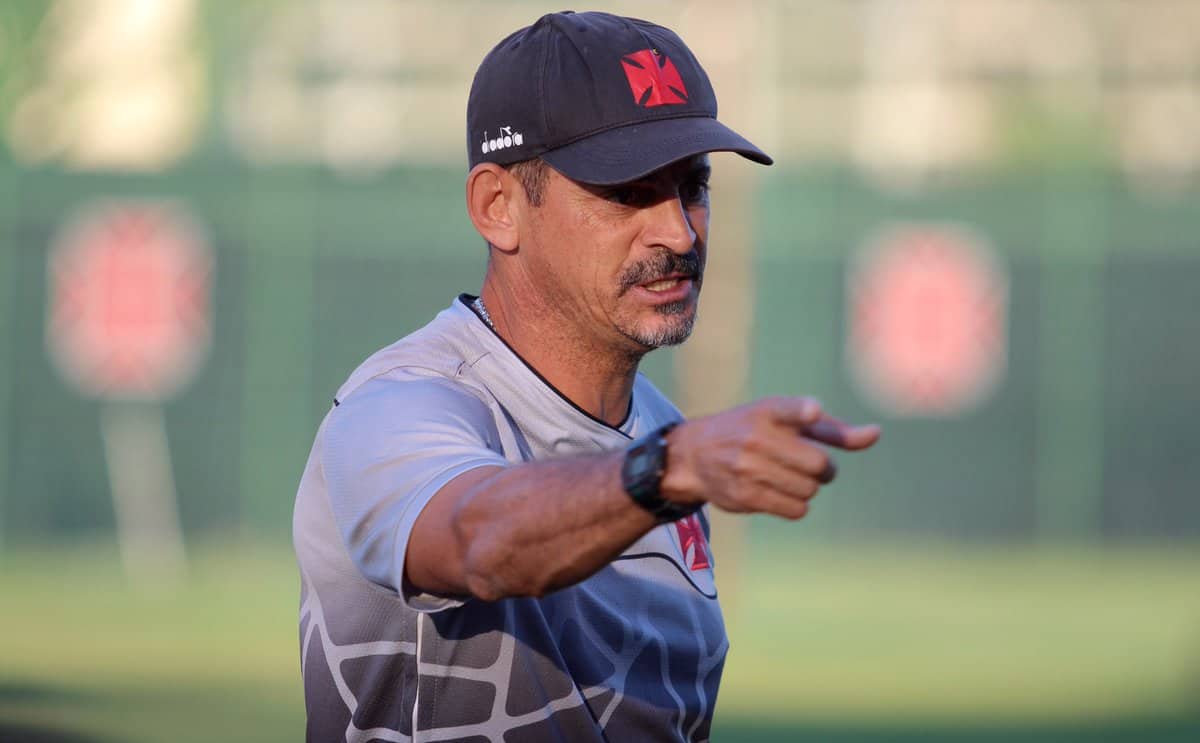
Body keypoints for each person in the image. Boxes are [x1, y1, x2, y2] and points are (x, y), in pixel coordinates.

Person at [293, 10, 881, 742]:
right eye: (628, 192)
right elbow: (477, 541)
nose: (679, 231)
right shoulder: (400, 404)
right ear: (498, 207)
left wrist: (669, 464)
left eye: (693, 186)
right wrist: (668, 471)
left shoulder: (663, 436)